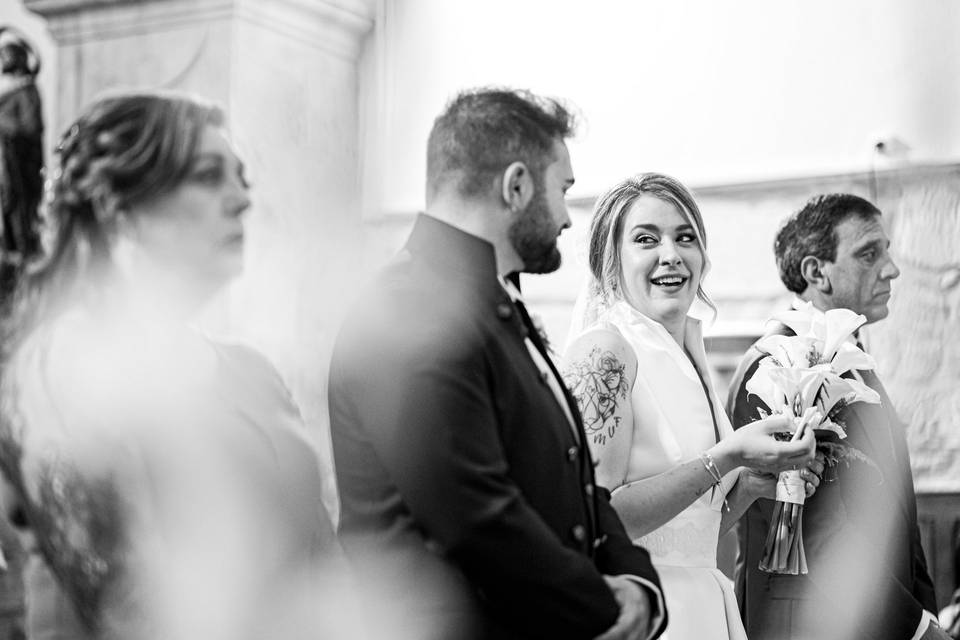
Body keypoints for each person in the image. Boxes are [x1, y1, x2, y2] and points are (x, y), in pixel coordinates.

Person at [329, 88, 667, 640]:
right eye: (563, 190)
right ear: (516, 186)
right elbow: (473, 515)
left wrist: (638, 585)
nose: (565, 217)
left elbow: (574, 473)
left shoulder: (492, 299)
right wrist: (601, 607)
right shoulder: (409, 307)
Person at [0, 91, 338, 640]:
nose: (241, 201)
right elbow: (128, 606)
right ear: (118, 209)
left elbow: (324, 559)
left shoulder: (249, 371)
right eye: (208, 176)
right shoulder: (59, 370)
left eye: (242, 179)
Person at [562, 173, 818, 640]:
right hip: (645, 611)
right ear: (609, 260)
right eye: (646, 239)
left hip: (703, 606)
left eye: (686, 238)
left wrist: (751, 487)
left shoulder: (688, 355)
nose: (671, 255)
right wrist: (728, 456)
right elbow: (595, 519)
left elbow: (690, 534)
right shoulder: (607, 351)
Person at [726, 193, 942, 640]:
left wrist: (925, 611)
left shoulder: (852, 362)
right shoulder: (781, 365)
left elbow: (895, 509)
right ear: (815, 271)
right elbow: (818, 528)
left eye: (886, 250)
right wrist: (917, 627)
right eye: (869, 253)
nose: (892, 268)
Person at [0, 27, 44, 293]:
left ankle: (22, 251)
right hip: (6, 162)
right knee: (8, 205)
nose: (3, 60)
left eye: (7, 55)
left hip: (21, 163)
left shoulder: (27, 91)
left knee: (20, 206)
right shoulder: (10, 91)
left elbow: (29, 127)